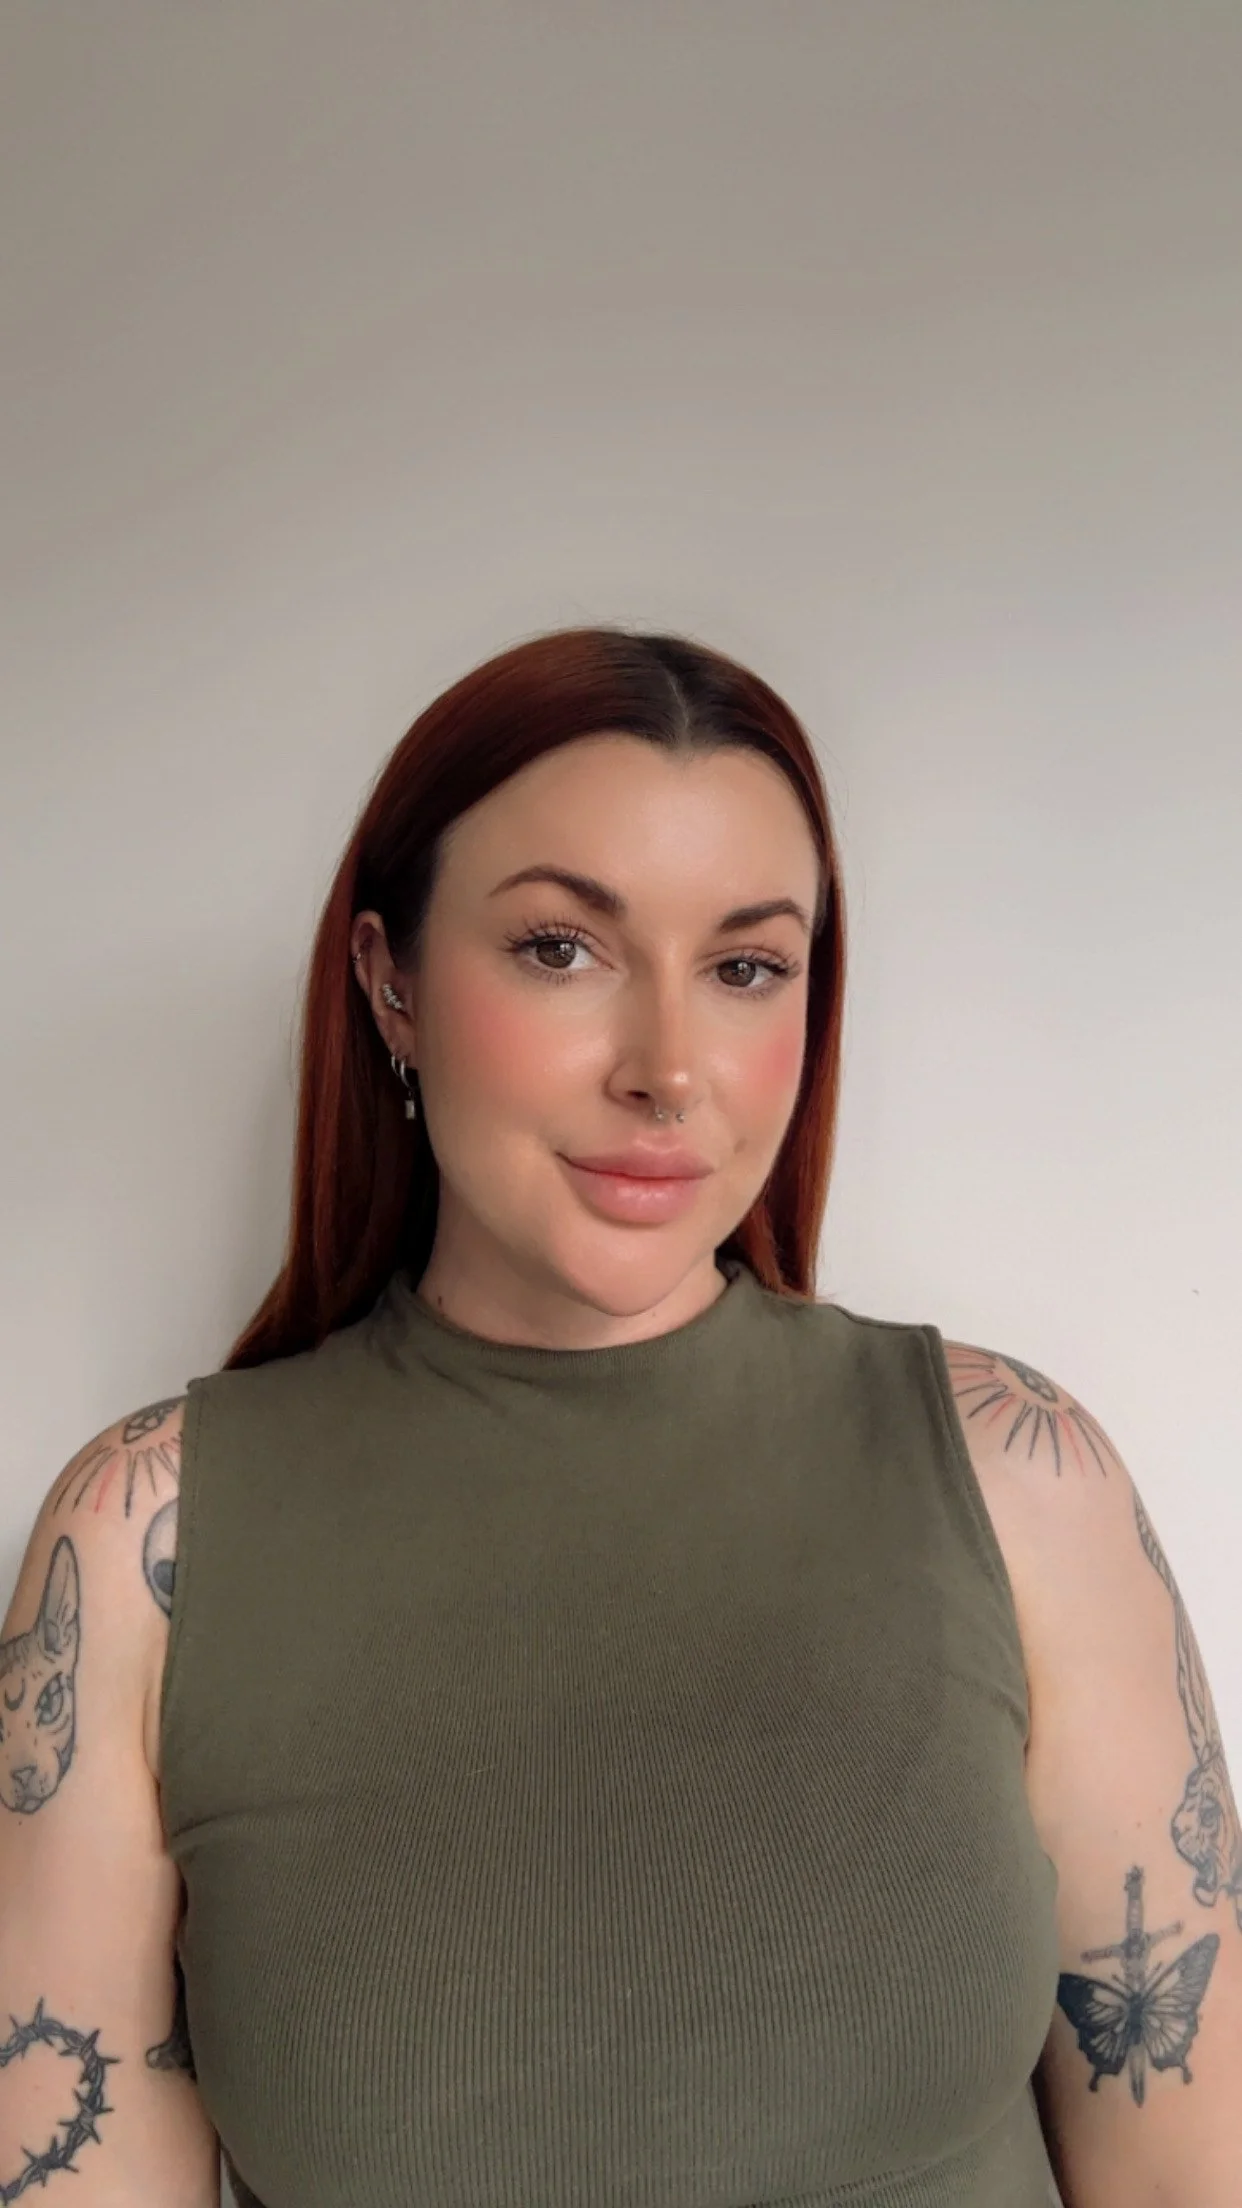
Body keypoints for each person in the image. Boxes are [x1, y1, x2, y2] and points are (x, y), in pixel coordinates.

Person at [1, 627, 1238, 2208]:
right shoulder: (141, 1551)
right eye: (558, 950)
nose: (668, 1068)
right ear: (390, 982)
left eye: (743, 968)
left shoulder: (1017, 1481)